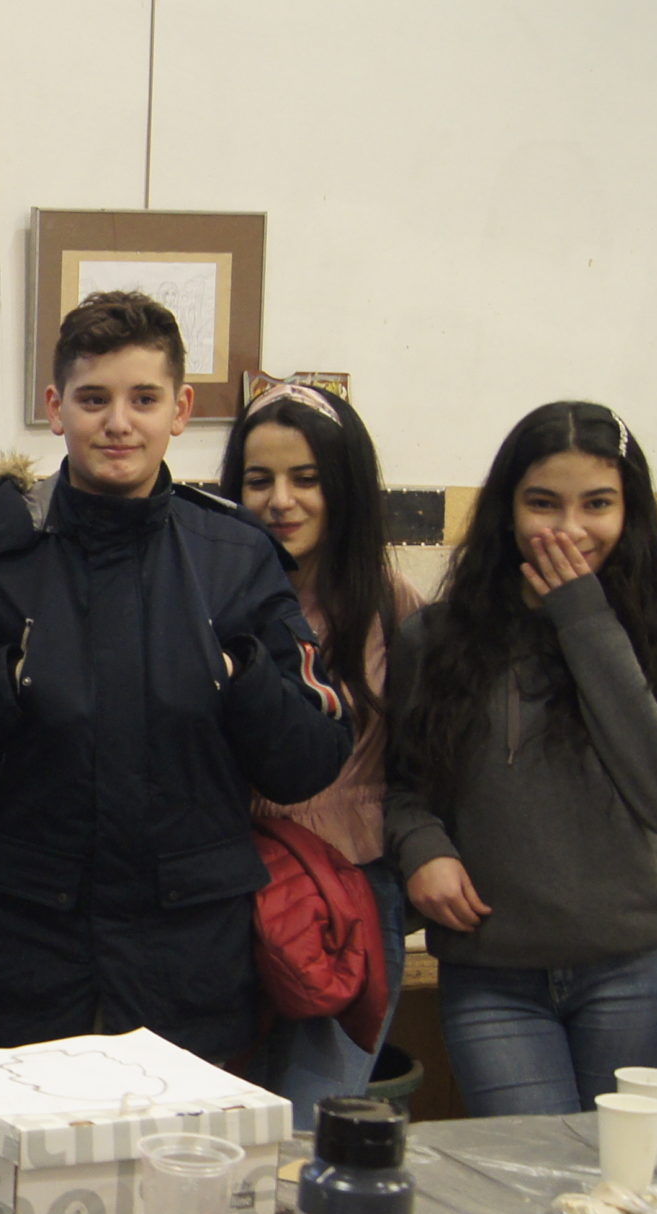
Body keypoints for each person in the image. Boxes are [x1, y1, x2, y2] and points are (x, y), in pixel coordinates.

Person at [0, 290, 352, 1064]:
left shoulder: (234, 557)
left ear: (181, 410)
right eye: (94, 399)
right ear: (56, 407)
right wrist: (6, 683)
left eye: (144, 399)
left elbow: (312, 757)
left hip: (186, 970)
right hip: (20, 962)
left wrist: (239, 674)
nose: (118, 423)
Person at [388, 402, 657, 1118]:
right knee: (531, 1170)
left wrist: (584, 619)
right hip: (493, 972)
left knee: (618, 1172)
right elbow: (401, 786)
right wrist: (423, 848)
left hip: (636, 967)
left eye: (597, 504)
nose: (569, 528)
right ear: (507, 511)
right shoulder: (436, 638)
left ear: (630, 512)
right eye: (542, 503)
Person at [220, 382, 423, 1123]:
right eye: (259, 480)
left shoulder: (393, 608)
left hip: (349, 905)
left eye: (306, 479)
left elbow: (425, 771)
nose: (282, 501)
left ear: (345, 487)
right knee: (221, 1135)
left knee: (304, 1135)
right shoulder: (206, 598)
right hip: (226, 901)